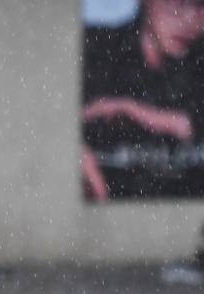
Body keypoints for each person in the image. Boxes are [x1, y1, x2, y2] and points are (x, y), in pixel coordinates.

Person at [82, 0, 204, 199]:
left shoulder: (199, 60)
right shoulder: (94, 49)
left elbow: (192, 125)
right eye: (178, 4)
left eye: (200, 6)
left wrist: (131, 110)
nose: (189, 20)